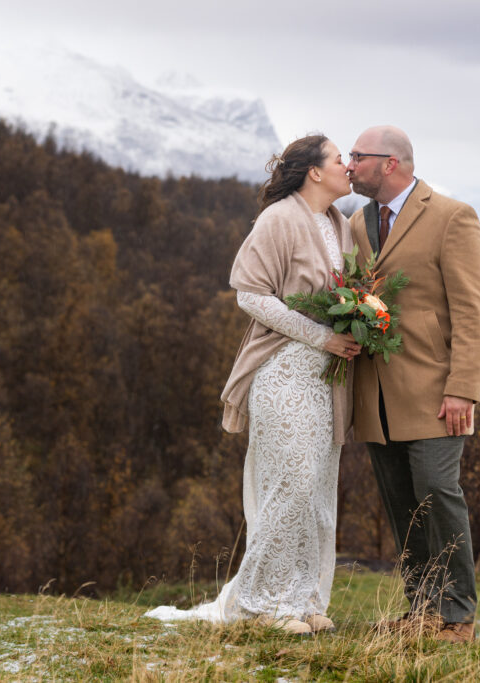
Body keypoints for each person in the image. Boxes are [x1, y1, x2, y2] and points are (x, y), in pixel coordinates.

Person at [145, 135, 360, 635]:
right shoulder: (278, 218)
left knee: (317, 491)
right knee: (290, 485)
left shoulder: (337, 225)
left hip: (328, 382)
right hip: (284, 372)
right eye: (338, 160)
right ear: (313, 172)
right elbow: (250, 295)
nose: (347, 166)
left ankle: (305, 600)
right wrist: (320, 336)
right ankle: (265, 605)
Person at [346, 126, 480, 644]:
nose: (350, 165)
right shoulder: (357, 222)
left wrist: (463, 388)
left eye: (358, 156)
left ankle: (457, 618)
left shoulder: (453, 217)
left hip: (436, 391)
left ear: (390, 163)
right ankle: (423, 611)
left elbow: (475, 310)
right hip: (377, 392)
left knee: (436, 492)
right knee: (401, 502)